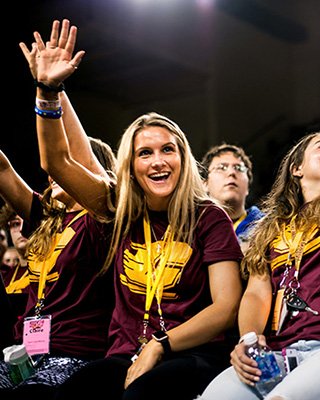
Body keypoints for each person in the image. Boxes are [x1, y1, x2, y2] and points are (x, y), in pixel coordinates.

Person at [27, 19, 244, 400]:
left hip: (192, 354)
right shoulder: (120, 211)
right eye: (145, 153)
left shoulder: (209, 217)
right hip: (124, 354)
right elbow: (58, 162)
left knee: (140, 396)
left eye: (167, 149)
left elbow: (226, 308)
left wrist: (160, 344)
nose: (157, 161)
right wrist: (48, 90)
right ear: (131, 166)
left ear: (183, 158)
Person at [200, 10, 320, 400]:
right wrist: (249, 340)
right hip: (283, 353)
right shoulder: (272, 226)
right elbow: (256, 292)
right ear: (297, 169)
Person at [0, 138, 115, 399]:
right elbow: (3, 170)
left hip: (75, 354)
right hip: (25, 353)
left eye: (64, 161)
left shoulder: (104, 221)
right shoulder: (46, 219)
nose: (53, 171)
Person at [201, 143, 264, 253]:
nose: (231, 172)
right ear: (205, 184)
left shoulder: (269, 228)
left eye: (239, 168)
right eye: (222, 167)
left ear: (248, 186)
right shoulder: (190, 231)